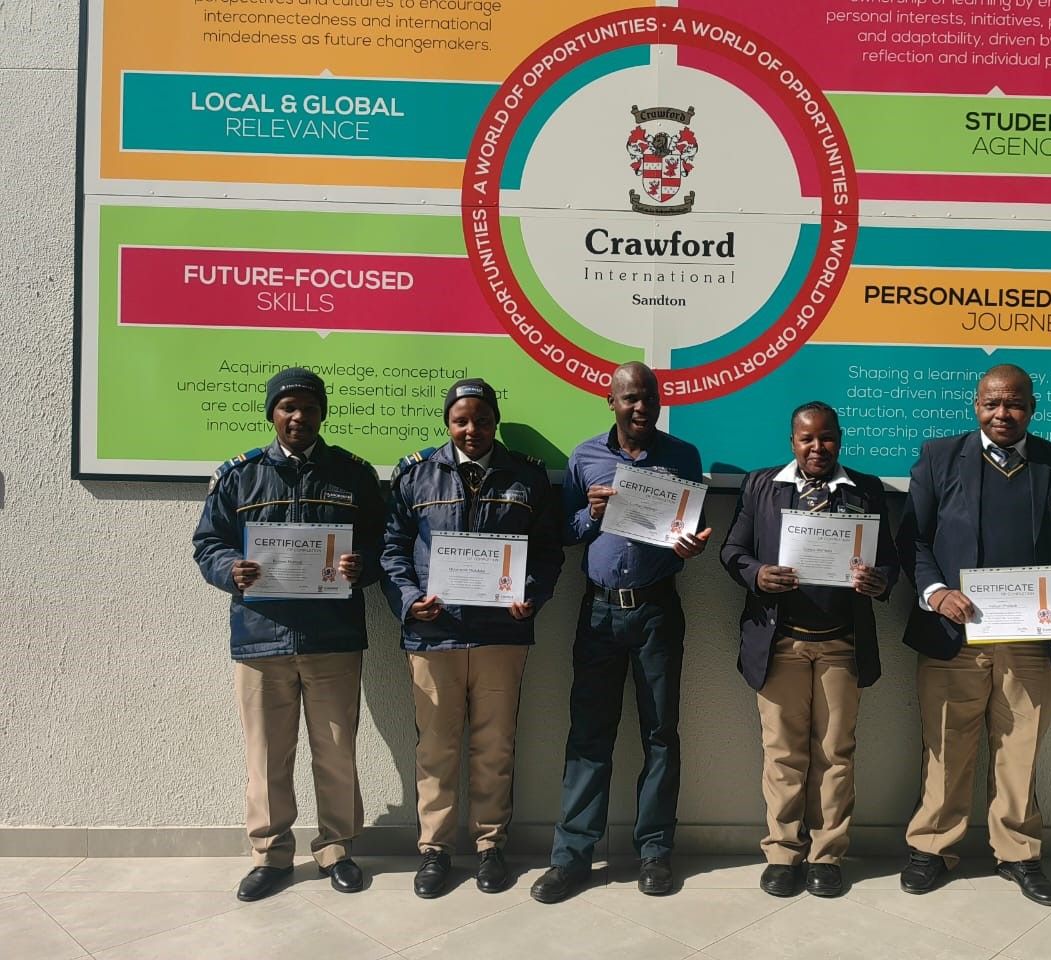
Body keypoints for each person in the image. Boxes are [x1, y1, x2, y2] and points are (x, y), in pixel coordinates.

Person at [895, 363, 1051, 906]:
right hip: (953, 636)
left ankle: (1018, 854)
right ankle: (932, 847)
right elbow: (911, 539)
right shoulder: (939, 457)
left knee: (1021, 748)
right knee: (946, 745)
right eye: (991, 403)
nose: (1001, 414)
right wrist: (935, 591)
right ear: (975, 404)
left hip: (1032, 641)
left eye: (1013, 404)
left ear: (1032, 407)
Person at [193, 367, 384, 901]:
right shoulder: (239, 476)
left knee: (336, 751)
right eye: (287, 407)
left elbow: (384, 543)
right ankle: (271, 855)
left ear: (323, 413)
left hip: (332, 639)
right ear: (272, 414)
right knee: (268, 754)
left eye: (308, 407)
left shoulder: (353, 474)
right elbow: (208, 544)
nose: (297, 416)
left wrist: (360, 566)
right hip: (262, 638)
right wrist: (230, 567)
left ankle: (336, 850)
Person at [530, 362, 712, 903]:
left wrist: (691, 547)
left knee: (660, 734)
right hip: (600, 612)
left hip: (657, 609)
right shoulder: (585, 456)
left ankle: (654, 852)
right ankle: (572, 857)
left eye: (649, 399)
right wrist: (589, 514)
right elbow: (563, 533)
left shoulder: (683, 457)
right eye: (630, 399)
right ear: (610, 401)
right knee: (589, 734)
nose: (640, 408)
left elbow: (686, 527)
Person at [382, 378, 564, 898]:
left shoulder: (526, 478)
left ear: (495, 422)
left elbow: (548, 551)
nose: (471, 429)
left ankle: (490, 845)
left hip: (500, 635)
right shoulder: (415, 474)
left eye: (481, 420)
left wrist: (531, 593)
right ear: (447, 422)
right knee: (436, 749)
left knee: (494, 746)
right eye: (461, 420)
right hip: (434, 633)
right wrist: (409, 599)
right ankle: (435, 850)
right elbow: (392, 547)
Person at [720, 401, 898, 898]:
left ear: (840, 438)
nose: (817, 448)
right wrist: (757, 574)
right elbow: (732, 551)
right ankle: (782, 852)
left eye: (827, 438)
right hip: (780, 642)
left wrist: (878, 581)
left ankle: (826, 855)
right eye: (807, 439)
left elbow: (890, 563)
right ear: (791, 441)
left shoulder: (865, 490)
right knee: (782, 755)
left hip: (841, 644)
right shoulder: (761, 487)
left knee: (835, 754)